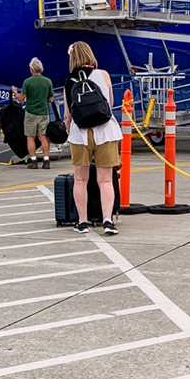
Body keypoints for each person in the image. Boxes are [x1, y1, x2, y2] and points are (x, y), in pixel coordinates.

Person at [63, 41, 120, 235]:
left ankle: (83, 222)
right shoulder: (103, 75)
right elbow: (110, 103)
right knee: (105, 180)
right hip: (106, 131)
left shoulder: (69, 81)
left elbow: (68, 114)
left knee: (80, 180)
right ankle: (107, 221)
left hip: (80, 134)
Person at [12, 57, 52, 169]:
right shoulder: (48, 81)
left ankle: (33, 161)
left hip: (30, 113)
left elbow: (21, 98)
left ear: (31, 69)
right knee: (43, 137)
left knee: (30, 137)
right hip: (44, 113)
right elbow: (51, 98)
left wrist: (15, 92)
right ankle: (46, 160)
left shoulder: (27, 82)